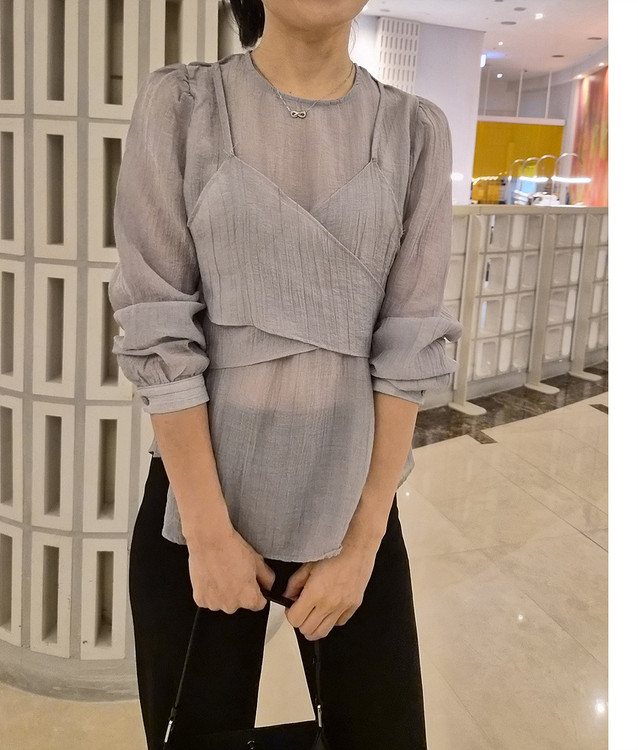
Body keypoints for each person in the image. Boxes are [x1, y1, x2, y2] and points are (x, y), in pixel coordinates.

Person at [108, 1, 463, 747]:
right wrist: (208, 534)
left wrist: (362, 545)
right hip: (200, 509)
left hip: (352, 507)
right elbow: (158, 328)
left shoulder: (416, 132)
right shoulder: (183, 106)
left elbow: (409, 348)